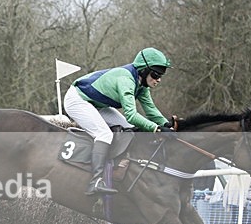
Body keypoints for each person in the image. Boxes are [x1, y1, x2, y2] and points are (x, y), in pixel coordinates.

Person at [64, 47, 174, 195]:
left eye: (161, 75)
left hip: (95, 104)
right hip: (77, 100)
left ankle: (116, 167)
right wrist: (157, 129)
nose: (158, 80)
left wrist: (166, 125)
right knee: (104, 135)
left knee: (128, 128)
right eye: (156, 74)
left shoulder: (141, 85)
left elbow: (151, 111)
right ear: (143, 70)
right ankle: (95, 181)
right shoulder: (126, 80)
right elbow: (131, 114)